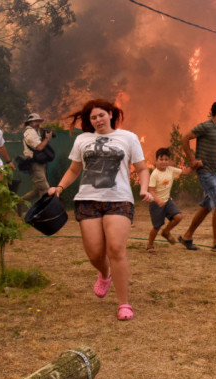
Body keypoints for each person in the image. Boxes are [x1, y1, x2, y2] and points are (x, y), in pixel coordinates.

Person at [47, 99, 153, 321]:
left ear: (111, 114)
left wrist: (144, 189)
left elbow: (142, 168)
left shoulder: (129, 138)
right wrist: (59, 187)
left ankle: (124, 303)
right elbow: (74, 169)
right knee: (95, 253)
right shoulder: (83, 140)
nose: (98, 120)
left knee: (115, 249)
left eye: (101, 115)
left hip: (119, 200)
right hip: (88, 200)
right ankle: (105, 274)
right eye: (93, 117)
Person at [178, 99, 216, 252]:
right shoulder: (205, 126)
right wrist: (192, 160)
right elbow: (185, 138)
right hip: (205, 173)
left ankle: (187, 236)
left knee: (207, 207)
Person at [145, 147, 191, 253]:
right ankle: (150, 245)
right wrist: (157, 200)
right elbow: (151, 190)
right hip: (156, 203)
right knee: (156, 227)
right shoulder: (155, 174)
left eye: (166, 159)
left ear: (169, 161)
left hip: (168, 201)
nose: (164, 162)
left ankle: (166, 232)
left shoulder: (171, 170)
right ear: (156, 161)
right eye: (161, 159)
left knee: (178, 217)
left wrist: (194, 166)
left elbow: (185, 173)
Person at [21, 113, 52, 201]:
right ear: (30, 122)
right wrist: (47, 139)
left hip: (40, 162)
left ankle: (19, 203)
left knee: (38, 190)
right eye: (35, 121)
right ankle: (45, 210)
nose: (37, 123)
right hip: (34, 163)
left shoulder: (36, 131)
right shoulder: (29, 133)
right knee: (44, 189)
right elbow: (39, 147)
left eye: (38, 121)